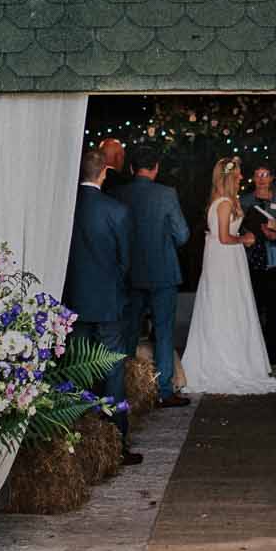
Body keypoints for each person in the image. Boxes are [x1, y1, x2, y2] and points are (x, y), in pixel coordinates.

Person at [182, 158, 276, 394]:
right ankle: (226, 361)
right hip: (224, 261)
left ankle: (238, 356)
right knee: (225, 307)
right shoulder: (223, 203)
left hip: (229, 260)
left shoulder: (226, 201)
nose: (242, 178)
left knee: (234, 307)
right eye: (239, 174)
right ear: (229, 178)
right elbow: (224, 237)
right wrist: (245, 240)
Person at [62, 145, 142, 465]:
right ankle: (115, 445)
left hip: (73, 303)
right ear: (104, 171)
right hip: (109, 303)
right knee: (112, 373)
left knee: (77, 371)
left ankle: (77, 443)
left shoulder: (63, 209)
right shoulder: (117, 211)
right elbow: (126, 262)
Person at [117, 144, 192, 409]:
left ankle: (124, 389)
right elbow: (182, 234)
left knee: (128, 331)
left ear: (131, 168)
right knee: (163, 332)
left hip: (130, 274)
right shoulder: (166, 194)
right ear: (156, 168)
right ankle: (163, 391)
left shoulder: (119, 194)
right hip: (163, 272)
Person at [241, 164, 276, 365]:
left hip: (273, 262)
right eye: (258, 174)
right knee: (251, 309)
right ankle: (252, 355)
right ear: (253, 177)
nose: (261, 179)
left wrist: (275, 236)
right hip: (251, 260)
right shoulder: (244, 201)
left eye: (265, 175)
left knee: (272, 310)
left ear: (271, 178)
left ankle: (272, 356)